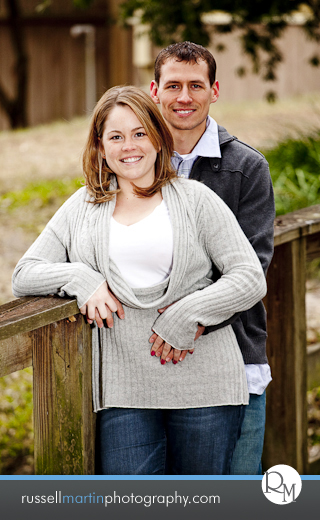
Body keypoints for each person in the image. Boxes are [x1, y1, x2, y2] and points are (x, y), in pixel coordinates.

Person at [12, 85, 266, 475]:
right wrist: (81, 278)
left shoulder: (195, 199)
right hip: (124, 391)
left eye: (139, 133)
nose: (128, 146)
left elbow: (249, 276)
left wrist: (188, 313)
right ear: (100, 146)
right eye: (115, 136)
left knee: (202, 506)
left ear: (158, 138)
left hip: (206, 386)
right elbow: (24, 274)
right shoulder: (83, 206)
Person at [149, 41, 275, 475]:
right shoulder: (130, 161)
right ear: (154, 90)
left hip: (234, 354)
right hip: (149, 361)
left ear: (214, 90)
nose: (184, 97)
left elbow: (253, 266)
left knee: (232, 495)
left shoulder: (246, 167)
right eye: (174, 85)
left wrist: (191, 316)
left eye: (196, 86)